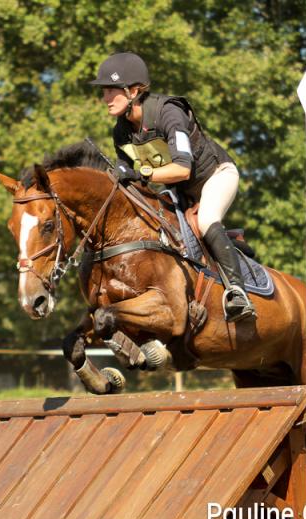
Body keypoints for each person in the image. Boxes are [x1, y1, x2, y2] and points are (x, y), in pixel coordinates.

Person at [90, 52, 256, 323]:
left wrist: (140, 173)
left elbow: (182, 169)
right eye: (104, 91)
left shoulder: (168, 112)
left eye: (111, 90)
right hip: (180, 192)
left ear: (134, 91)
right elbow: (130, 180)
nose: (106, 98)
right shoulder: (121, 132)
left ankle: (238, 293)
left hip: (214, 176)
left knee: (206, 220)